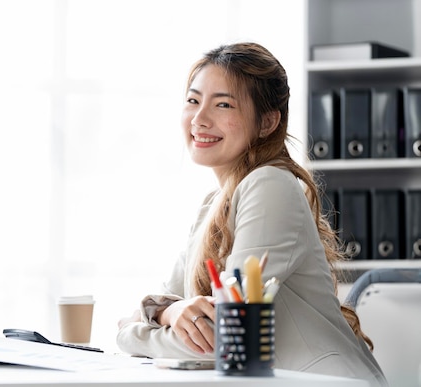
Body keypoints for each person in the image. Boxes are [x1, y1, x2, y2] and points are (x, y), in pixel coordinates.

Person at [116, 42, 388, 387]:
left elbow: (223, 341)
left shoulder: (270, 184)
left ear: (267, 122)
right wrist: (168, 311)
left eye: (223, 104)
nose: (200, 119)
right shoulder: (213, 204)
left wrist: (128, 335)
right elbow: (167, 303)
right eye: (193, 100)